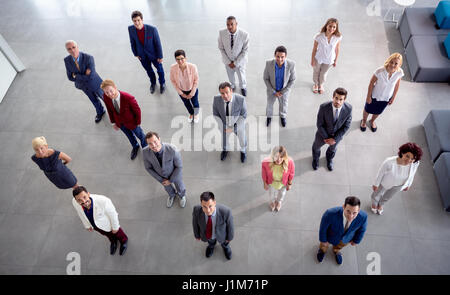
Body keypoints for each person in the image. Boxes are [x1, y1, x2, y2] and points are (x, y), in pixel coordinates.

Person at [72, 186, 128, 256]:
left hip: (108, 224)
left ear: (88, 194)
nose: (83, 201)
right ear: (76, 200)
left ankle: (124, 241)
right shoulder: (74, 202)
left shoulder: (103, 201)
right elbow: (80, 213)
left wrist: (115, 227)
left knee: (118, 233)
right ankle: (113, 241)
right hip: (95, 225)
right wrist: (87, 225)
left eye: (84, 197)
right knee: (107, 234)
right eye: (79, 200)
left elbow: (113, 215)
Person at [100, 79, 147, 160]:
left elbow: (137, 110)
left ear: (115, 87)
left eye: (111, 91)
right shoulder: (106, 97)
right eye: (106, 92)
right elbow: (109, 110)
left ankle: (146, 149)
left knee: (140, 135)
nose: (109, 94)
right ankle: (135, 146)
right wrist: (113, 122)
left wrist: (138, 122)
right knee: (129, 136)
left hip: (132, 122)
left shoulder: (128, 97)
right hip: (120, 123)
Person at [371, 142, 422, 215]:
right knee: (377, 194)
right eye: (407, 156)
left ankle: (381, 204)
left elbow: (412, 174)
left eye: (412, 159)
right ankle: (374, 203)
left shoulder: (415, 163)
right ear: (402, 153)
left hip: (399, 185)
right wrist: (376, 184)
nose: (409, 160)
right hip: (385, 182)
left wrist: (408, 185)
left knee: (388, 196)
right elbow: (380, 173)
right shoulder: (389, 162)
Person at [360, 53, 404, 132]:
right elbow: (371, 83)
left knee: (378, 111)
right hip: (374, 95)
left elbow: (397, 86)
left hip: (386, 98)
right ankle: (363, 121)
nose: (393, 65)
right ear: (388, 61)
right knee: (367, 109)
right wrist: (368, 96)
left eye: (396, 63)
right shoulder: (380, 71)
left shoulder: (399, 73)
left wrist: (393, 98)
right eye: (391, 62)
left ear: (399, 64)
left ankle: (372, 121)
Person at [317, 196, 367, 265]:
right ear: (343, 207)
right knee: (324, 245)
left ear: (358, 210)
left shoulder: (363, 217)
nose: (351, 216)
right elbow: (323, 228)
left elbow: (362, 229)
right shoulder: (330, 213)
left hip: (346, 238)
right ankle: (322, 250)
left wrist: (356, 240)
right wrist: (323, 240)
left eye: (354, 213)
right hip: (330, 236)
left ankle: (336, 250)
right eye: (348, 211)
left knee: (339, 246)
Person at [64, 40, 105, 123]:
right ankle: (100, 112)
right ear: (67, 50)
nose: (72, 50)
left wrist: (76, 76)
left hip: (95, 84)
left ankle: (115, 114)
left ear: (77, 47)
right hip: (83, 86)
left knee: (105, 98)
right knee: (94, 100)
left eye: (73, 47)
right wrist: (84, 75)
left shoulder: (88, 58)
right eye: (69, 49)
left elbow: (91, 76)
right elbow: (70, 77)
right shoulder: (67, 60)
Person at [143, 131, 187, 208]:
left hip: (175, 174)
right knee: (167, 188)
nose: (153, 145)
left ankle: (182, 195)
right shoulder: (145, 152)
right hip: (162, 177)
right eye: (150, 143)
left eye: (155, 141)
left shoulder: (172, 149)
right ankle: (171, 195)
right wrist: (161, 179)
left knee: (180, 186)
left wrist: (170, 180)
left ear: (159, 139)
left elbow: (179, 167)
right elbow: (148, 168)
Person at [312, 87, 352, 171]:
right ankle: (315, 159)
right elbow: (319, 124)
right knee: (316, 147)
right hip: (322, 134)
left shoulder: (348, 109)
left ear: (344, 100)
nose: (338, 101)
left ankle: (329, 159)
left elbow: (346, 126)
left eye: (341, 99)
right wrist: (327, 138)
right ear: (333, 97)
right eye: (336, 98)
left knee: (332, 149)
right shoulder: (323, 107)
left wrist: (334, 139)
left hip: (336, 137)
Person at [128, 10, 166, 94]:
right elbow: (132, 42)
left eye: (138, 20)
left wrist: (160, 56)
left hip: (154, 55)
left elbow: (158, 43)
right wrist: (136, 54)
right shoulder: (130, 29)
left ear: (142, 20)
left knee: (160, 70)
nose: (137, 23)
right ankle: (153, 83)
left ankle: (162, 83)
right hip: (142, 56)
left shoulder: (152, 29)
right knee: (149, 71)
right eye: (135, 21)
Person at [192, 191, 234, 260]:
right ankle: (211, 246)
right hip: (209, 235)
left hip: (221, 234)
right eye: (204, 207)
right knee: (211, 242)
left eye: (210, 206)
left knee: (224, 243)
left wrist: (229, 237)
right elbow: (195, 223)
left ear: (214, 203)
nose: (208, 210)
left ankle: (225, 247)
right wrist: (197, 235)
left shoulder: (226, 211)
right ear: (201, 204)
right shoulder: (196, 210)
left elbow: (230, 226)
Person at [212, 82, 247, 163]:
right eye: (222, 93)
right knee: (224, 139)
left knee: (242, 138)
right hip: (225, 125)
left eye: (227, 92)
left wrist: (233, 128)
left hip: (237, 124)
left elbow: (243, 115)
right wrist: (223, 127)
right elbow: (216, 115)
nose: (225, 96)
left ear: (231, 91)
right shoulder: (216, 99)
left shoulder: (241, 99)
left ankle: (243, 150)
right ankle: (225, 149)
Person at [263, 46, 296, 127]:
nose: (280, 59)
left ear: (286, 56)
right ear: (274, 55)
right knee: (269, 104)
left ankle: (282, 116)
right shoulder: (268, 64)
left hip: (284, 91)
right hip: (272, 90)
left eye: (282, 57)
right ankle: (269, 117)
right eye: (278, 56)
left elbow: (292, 80)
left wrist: (282, 92)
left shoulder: (291, 64)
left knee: (284, 105)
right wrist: (273, 91)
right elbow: (266, 78)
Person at [218, 16, 249, 96]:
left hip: (240, 62)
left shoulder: (244, 34)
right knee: (230, 75)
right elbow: (221, 48)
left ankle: (243, 87)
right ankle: (232, 85)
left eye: (232, 24)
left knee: (241, 77)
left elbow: (245, 51)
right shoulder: (221, 33)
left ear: (236, 24)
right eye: (227, 24)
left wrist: (235, 63)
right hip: (227, 61)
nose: (229, 27)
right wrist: (228, 62)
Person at [310, 18, 342, 94]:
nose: (332, 28)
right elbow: (314, 49)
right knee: (316, 71)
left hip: (329, 60)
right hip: (319, 58)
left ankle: (320, 84)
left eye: (334, 27)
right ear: (326, 26)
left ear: (336, 28)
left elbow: (337, 49)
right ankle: (315, 84)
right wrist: (312, 60)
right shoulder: (319, 36)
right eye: (330, 26)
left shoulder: (337, 37)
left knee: (323, 73)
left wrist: (335, 61)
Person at [169, 49, 200, 123]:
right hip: (182, 90)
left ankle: (196, 114)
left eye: (182, 59)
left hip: (192, 89)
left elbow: (196, 80)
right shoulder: (173, 68)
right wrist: (181, 93)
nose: (180, 61)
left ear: (185, 58)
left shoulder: (192, 67)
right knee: (186, 103)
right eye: (177, 59)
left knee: (195, 102)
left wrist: (192, 93)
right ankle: (191, 113)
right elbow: (173, 81)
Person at [261, 146, 295, 212]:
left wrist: (289, 183)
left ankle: (279, 202)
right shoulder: (265, 162)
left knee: (282, 194)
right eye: (276, 156)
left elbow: (291, 173)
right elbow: (264, 174)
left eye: (281, 157)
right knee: (271, 195)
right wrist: (265, 183)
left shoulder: (290, 162)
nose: (278, 159)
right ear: (273, 156)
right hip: (272, 182)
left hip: (283, 183)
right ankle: (272, 202)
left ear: (284, 157)